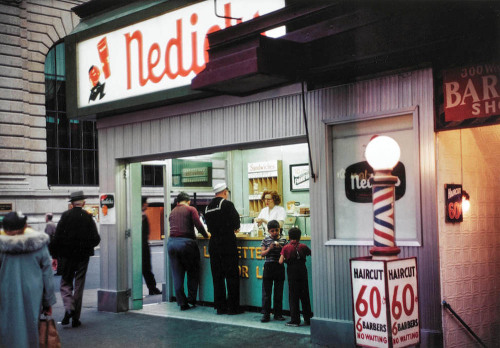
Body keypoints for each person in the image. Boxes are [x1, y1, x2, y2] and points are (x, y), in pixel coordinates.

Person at [0, 212, 56, 347]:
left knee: (7, 329)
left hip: (5, 295)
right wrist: (48, 301)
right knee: (31, 328)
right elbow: (47, 274)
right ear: (25, 226)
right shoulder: (38, 244)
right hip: (33, 295)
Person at [50, 191, 101, 328]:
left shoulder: (65, 216)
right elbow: (96, 239)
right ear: (83, 203)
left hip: (66, 256)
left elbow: (57, 238)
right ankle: (75, 318)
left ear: (71, 203)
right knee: (79, 284)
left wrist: (54, 255)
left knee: (65, 282)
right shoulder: (88, 217)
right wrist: (86, 246)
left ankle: (68, 307)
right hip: (83, 256)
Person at [204, 182, 242, 315]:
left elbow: (208, 227)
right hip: (227, 243)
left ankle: (220, 307)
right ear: (225, 192)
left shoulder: (207, 207)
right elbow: (236, 223)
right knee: (231, 275)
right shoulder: (227, 204)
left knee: (217, 276)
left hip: (214, 244)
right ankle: (233, 308)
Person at [168, 192, 209, 310]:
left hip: (172, 244)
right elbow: (199, 225)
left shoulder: (172, 212)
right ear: (188, 201)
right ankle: (191, 300)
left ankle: (182, 303)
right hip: (187, 243)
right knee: (192, 271)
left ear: (177, 202)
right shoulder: (191, 209)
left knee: (177, 275)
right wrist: (206, 235)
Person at [279, 227, 312, 327]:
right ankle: (308, 318)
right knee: (305, 295)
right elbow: (310, 253)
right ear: (299, 236)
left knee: (293, 296)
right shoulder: (303, 246)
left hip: (292, 273)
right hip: (302, 272)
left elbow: (280, 261)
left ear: (289, 237)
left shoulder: (286, 248)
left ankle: (295, 320)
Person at [260, 220, 287, 323]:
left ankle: (278, 314)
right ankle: (266, 314)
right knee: (267, 292)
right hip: (269, 267)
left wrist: (281, 248)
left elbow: (286, 252)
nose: (275, 233)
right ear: (269, 231)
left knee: (278, 292)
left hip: (279, 266)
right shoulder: (265, 240)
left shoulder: (284, 240)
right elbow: (262, 254)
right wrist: (269, 249)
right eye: (272, 231)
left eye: (277, 230)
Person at [142, 197, 162, 295]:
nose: (147, 205)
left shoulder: (142, 215)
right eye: (146, 203)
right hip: (142, 245)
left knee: (146, 268)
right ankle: (152, 288)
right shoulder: (141, 216)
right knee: (146, 267)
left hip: (143, 244)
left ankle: (152, 288)